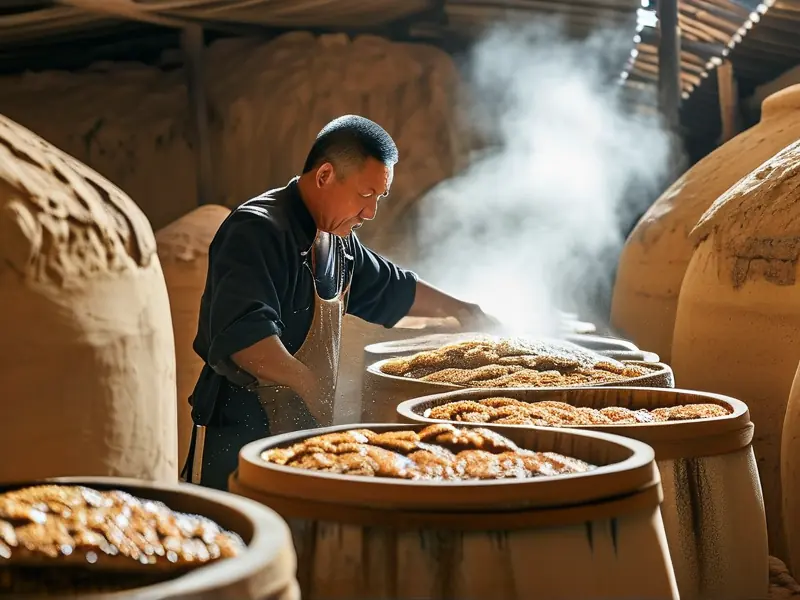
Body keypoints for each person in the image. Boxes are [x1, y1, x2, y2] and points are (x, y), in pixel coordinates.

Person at [181, 115, 498, 490]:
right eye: (365, 195)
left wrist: (464, 310)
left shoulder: (336, 239)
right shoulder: (256, 230)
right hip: (236, 434)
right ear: (325, 175)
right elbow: (245, 339)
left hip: (298, 431)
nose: (370, 212)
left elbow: (392, 286)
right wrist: (310, 385)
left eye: (379, 198)